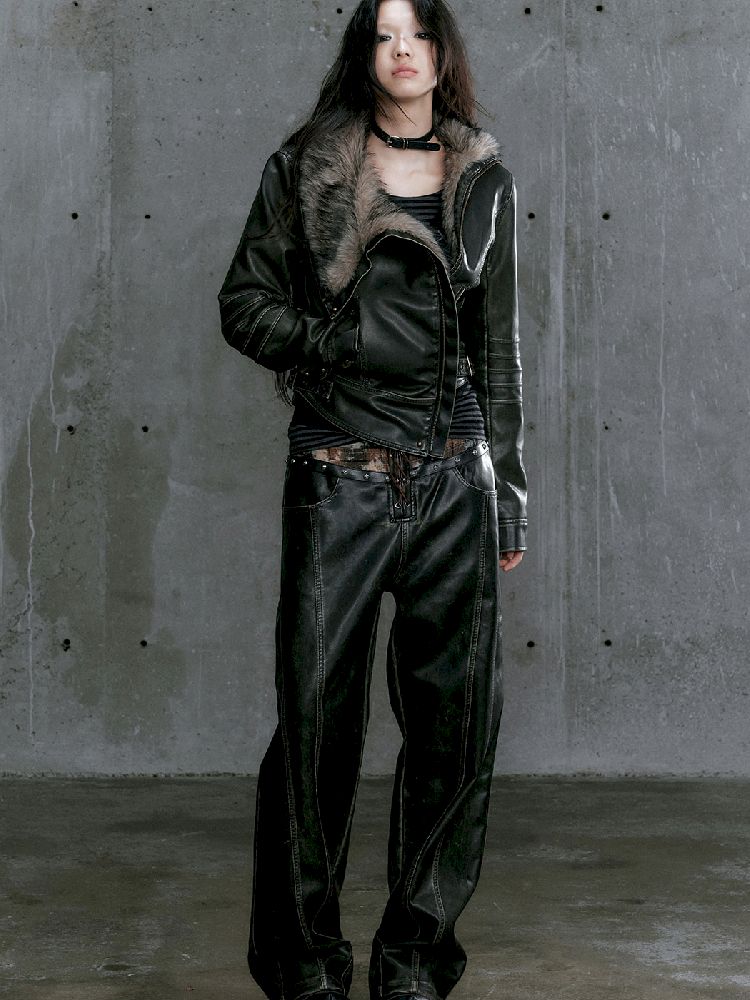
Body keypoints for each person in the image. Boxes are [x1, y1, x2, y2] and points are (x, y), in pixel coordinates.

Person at [217, 2, 527, 999]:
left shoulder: (482, 176)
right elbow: (244, 304)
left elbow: (498, 351)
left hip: (453, 483)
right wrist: (339, 342)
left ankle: (414, 964)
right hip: (338, 479)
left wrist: (508, 495)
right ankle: (306, 967)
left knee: (454, 736)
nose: (403, 50)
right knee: (313, 734)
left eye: (418, 33)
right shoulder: (309, 165)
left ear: (441, 51)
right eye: (385, 33)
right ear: (366, 52)